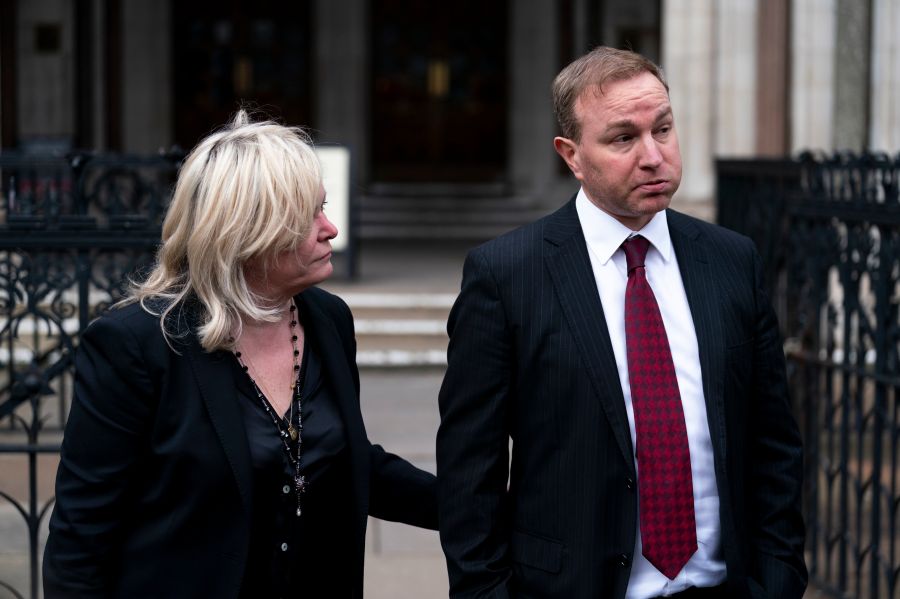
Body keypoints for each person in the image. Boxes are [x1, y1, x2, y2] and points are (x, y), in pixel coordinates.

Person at [436, 47, 806, 599]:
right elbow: (471, 475)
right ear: (572, 155)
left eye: (663, 129)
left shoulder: (731, 260)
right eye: (623, 139)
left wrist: (777, 578)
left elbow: (773, 441)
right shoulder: (507, 275)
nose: (654, 156)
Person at [43, 112, 438, 598]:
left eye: (325, 208)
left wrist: (476, 507)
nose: (330, 228)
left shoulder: (328, 320)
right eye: (308, 217)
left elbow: (343, 461)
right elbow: (80, 541)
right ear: (247, 233)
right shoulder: (136, 345)